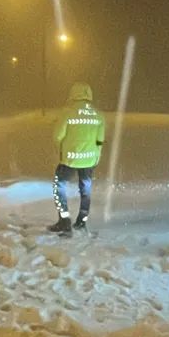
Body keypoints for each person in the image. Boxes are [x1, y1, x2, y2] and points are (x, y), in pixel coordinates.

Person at [49, 82, 105, 237]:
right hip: (89, 160)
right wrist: (96, 157)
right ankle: (81, 221)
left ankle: (64, 222)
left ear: (73, 94)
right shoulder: (98, 114)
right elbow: (100, 139)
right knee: (85, 190)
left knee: (59, 187)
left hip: (69, 159)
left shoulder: (67, 112)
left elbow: (57, 136)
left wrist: (60, 153)